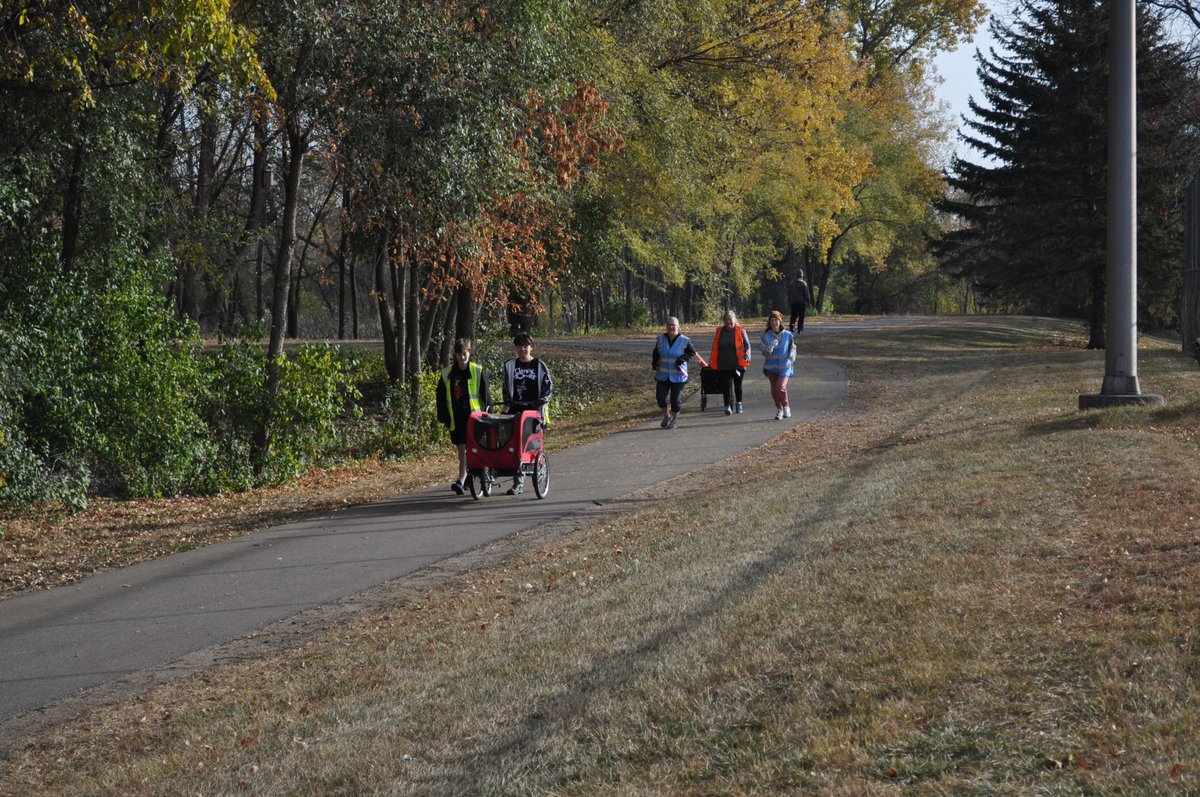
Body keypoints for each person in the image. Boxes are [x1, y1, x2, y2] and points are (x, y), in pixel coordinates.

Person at [502, 331, 553, 495]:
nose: (523, 349)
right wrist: (508, 402)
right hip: (515, 410)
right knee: (514, 444)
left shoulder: (539, 365)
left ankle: (535, 468)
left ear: (531, 347)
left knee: (531, 445)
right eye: (519, 346)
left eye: (525, 346)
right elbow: (506, 389)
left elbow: (548, 388)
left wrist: (541, 401)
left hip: (534, 411)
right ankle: (518, 482)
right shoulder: (510, 365)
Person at [436, 338, 490, 494]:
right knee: (462, 450)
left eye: (465, 353)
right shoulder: (447, 373)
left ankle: (471, 476)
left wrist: (487, 416)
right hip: (457, 417)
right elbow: (440, 397)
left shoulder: (477, 370)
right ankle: (463, 479)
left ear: (469, 353)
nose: (462, 357)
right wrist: (443, 416)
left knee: (473, 449)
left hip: (475, 417)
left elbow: (486, 397)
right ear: (455, 354)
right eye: (459, 354)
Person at [652, 317, 707, 429]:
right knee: (660, 398)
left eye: (674, 325)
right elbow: (656, 353)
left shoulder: (684, 340)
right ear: (666, 326)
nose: (671, 327)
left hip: (678, 375)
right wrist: (654, 364)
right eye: (669, 325)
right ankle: (667, 415)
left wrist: (682, 359)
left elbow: (691, 353)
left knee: (675, 401)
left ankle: (674, 419)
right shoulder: (661, 339)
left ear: (678, 327)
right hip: (662, 375)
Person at [708, 310, 751, 415]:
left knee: (738, 385)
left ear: (735, 320)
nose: (728, 322)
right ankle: (727, 406)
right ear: (723, 321)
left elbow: (747, 345)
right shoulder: (719, 331)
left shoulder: (741, 331)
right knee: (726, 386)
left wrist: (747, 356)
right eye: (726, 319)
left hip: (738, 364)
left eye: (730, 319)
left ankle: (739, 403)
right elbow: (715, 347)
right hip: (723, 364)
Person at [760, 310, 796, 420]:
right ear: (769, 322)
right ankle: (779, 409)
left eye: (776, 320)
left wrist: (792, 354)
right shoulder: (765, 336)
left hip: (785, 367)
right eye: (772, 320)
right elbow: (764, 352)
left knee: (780, 387)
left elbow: (793, 347)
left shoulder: (788, 335)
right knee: (774, 390)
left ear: (780, 322)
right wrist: (769, 347)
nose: (774, 322)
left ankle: (786, 407)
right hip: (771, 368)